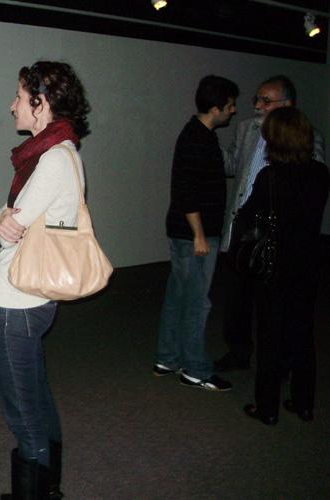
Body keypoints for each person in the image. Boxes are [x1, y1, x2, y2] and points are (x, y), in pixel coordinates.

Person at [0, 61, 89, 499]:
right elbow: (13, 221)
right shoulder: (61, 152)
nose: (12, 106)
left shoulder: (52, 159)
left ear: (40, 103)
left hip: (17, 302)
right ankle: (48, 488)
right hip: (31, 298)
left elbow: (8, 226)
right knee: (37, 397)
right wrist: (1, 218)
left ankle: (37, 493)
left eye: (20, 97)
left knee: (23, 409)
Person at [215, 75, 325, 372]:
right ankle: (238, 351)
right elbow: (231, 166)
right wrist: (206, 135)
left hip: (282, 239)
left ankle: (282, 362)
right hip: (244, 228)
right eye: (257, 99)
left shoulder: (308, 136)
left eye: (266, 100)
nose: (258, 106)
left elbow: (311, 187)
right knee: (237, 298)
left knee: (280, 308)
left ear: (287, 104)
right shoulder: (246, 129)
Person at [240, 108, 328, 425]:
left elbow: (249, 215)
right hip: (308, 262)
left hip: (275, 265)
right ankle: (303, 404)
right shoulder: (321, 173)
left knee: (270, 336)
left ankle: (268, 408)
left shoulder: (270, 177)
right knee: (303, 334)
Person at [153, 75, 239, 391]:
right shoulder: (195, 138)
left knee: (179, 296)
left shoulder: (200, 135)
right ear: (215, 107)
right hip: (195, 236)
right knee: (196, 302)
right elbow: (185, 192)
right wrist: (200, 235)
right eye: (230, 105)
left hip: (187, 234)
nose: (233, 111)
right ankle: (195, 368)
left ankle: (167, 357)